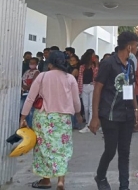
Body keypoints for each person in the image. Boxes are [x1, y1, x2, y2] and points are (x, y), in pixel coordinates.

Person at [20, 51, 82, 190]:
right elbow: (76, 100)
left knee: (44, 149)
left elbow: (30, 98)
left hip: (44, 118)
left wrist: (23, 116)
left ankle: (46, 180)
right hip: (63, 119)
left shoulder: (42, 76)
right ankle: (61, 181)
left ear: (50, 63)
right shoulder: (70, 78)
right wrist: (78, 114)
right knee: (62, 148)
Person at [90, 31, 138, 190]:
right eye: (136, 46)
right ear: (129, 46)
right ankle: (100, 176)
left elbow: (130, 87)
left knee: (125, 152)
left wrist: (136, 108)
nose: (136, 49)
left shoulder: (131, 64)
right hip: (110, 115)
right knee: (111, 150)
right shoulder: (108, 63)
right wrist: (95, 116)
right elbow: (98, 89)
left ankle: (124, 186)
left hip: (127, 115)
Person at [78, 51, 98, 133]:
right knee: (85, 106)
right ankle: (87, 122)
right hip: (84, 86)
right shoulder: (82, 67)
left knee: (90, 106)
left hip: (92, 86)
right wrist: (79, 89)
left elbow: (96, 76)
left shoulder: (95, 67)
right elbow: (80, 78)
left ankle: (89, 125)